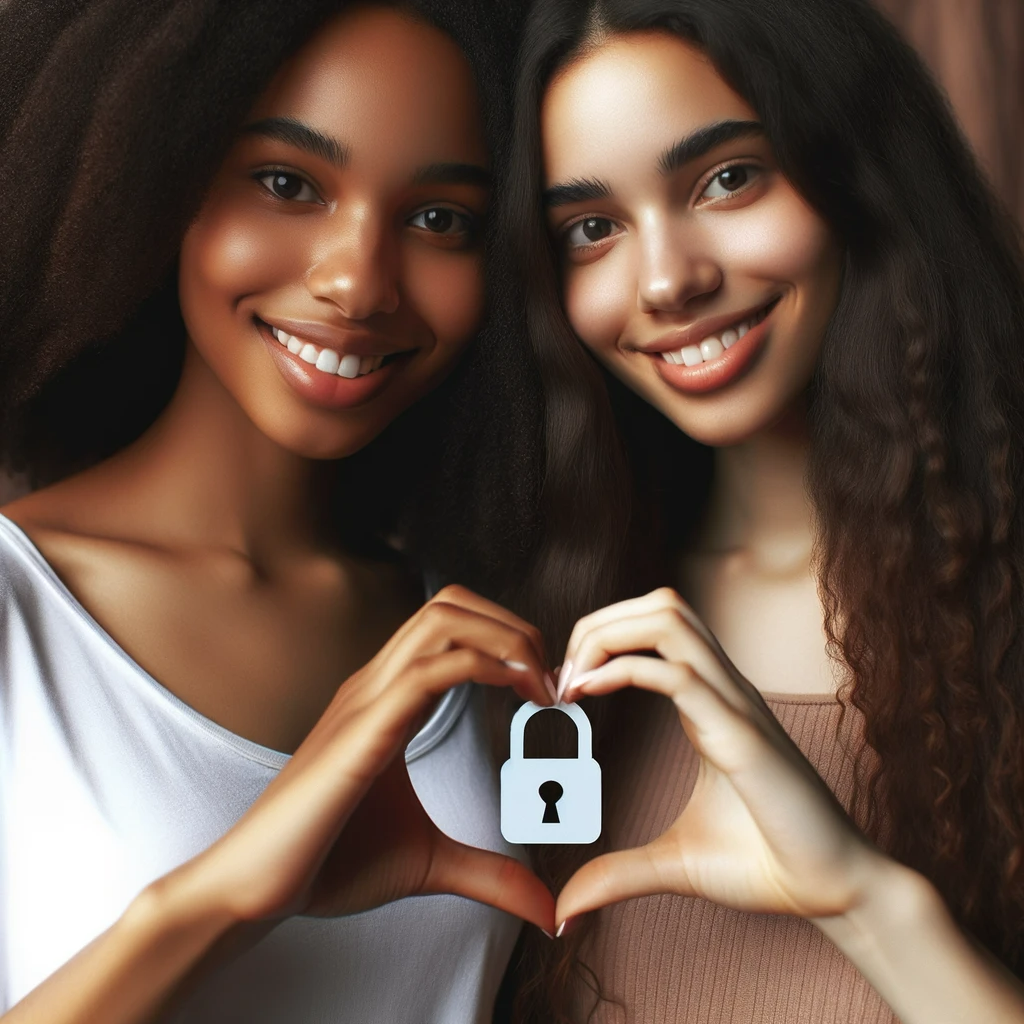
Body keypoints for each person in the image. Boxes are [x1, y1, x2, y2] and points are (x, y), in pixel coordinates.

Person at [0, 1, 557, 1021]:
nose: (357, 282)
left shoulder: (471, 640)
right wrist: (217, 898)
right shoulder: (19, 611)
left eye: (440, 219)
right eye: (287, 183)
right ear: (157, 178)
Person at [505, 0, 1024, 1021]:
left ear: (860, 172)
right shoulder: (541, 612)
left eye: (727, 177)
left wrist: (865, 900)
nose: (666, 279)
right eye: (592, 228)